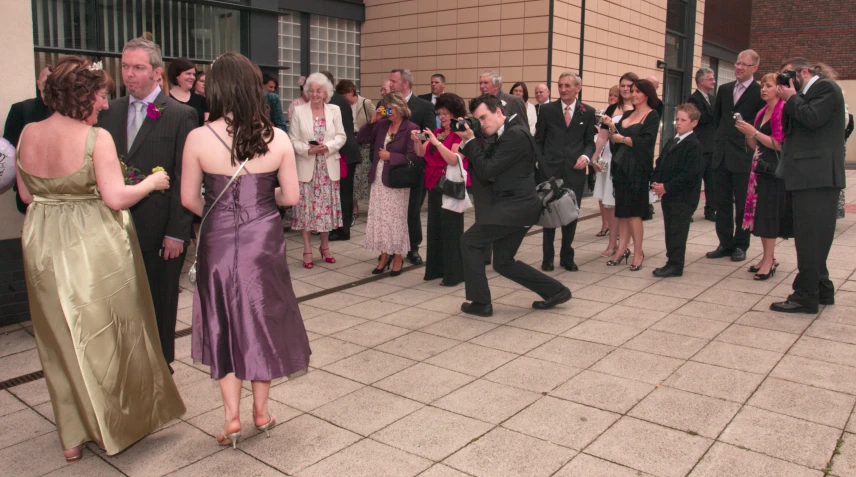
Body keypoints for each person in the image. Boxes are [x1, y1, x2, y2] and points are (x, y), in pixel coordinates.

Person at [16, 55, 184, 461]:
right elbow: (115, 197)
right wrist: (151, 182)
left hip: (41, 247)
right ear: (83, 96)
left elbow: (25, 195)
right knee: (108, 336)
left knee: (59, 339)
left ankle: (72, 438)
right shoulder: (96, 139)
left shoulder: (27, 133)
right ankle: (115, 424)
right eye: (101, 95)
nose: (106, 104)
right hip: (91, 248)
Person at [182, 52, 311, 449]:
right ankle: (261, 410)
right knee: (261, 318)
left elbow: (189, 199)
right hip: (263, 242)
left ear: (216, 89)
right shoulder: (278, 137)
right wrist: (257, 200)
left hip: (219, 242)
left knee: (222, 321)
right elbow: (290, 196)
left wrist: (225, 209)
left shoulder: (198, 138)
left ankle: (231, 416)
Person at [97, 37, 197, 372]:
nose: (129, 74)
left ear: (156, 73)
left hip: (160, 233)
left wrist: (177, 233)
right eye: (125, 66)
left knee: (161, 305)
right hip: (115, 230)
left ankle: (161, 369)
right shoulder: (108, 113)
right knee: (122, 304)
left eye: (137, 67)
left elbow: (185, 178)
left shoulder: (181, 115)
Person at [455, 94, 571, 317]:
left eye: (484, 118)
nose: (482, 123)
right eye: (478, 119)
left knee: (469, 241)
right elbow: (490, 163)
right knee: (503, 262)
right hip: (519, 208)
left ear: (499, 112)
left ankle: (481, 303)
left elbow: (488, 170)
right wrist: (472, 138)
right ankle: (556, 291)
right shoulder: (508, 131)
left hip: (515, 208)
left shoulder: (514, 134)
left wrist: (470, 142)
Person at [770, 58, 846, 314]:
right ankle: (822, 288)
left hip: (818, 177)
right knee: (811, 237)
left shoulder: (826, 88)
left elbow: (812, 118)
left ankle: (805, 296)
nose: (784, 83)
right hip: (806, 176)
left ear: (804, 72)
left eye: (787, 76)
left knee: (810, 239)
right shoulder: (805, 95)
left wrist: (791, 98)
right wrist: (790, 99)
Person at [706, 49, 764, 263]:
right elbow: (716, 118)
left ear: (755, 68)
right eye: (737, 63)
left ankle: (741, 244)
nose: (738, 67)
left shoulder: (760, 92)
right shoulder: (724, 89)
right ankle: (725, 243)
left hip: (743, 154)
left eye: (744, 65)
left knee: (742, 203)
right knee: (720, 202)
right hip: (721, 154)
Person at [534, 72, 595, 271]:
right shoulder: (547, 110)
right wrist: (541, 164)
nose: (563, 89)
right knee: (549, 214)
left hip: (574, 171)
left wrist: (586, 157)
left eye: (567, 86)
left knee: (571, 215)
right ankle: (547, 258)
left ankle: (567, 256)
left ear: (578, 88)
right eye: (560, 85)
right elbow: (539, 141)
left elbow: (589, 142)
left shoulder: (587, 112)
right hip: (551, 171)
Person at [734, 73, 790, 281]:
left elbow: (779, 144)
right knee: (760, 213)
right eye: (763, 86)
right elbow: (754, 145)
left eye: (769, 85)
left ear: (779, 88)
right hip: (759, 168)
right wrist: (748, 132)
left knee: (768, 215)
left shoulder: (782, 110)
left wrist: (754, 133)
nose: (764, 89)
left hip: (773, 170)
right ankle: (768, 258)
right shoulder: (762, 112)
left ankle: (768, 261)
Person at [357, 92, 420, 276]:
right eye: (386, 108)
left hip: (397, 181)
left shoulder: (412, 128)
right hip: (378, 179)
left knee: (396, 219)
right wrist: (373, 120)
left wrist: (391, 156)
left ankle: (398, 256)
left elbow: (414, 156)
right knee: (381, 218)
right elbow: (361, 139)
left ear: (400, 108)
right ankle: (384, 255)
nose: (388, 112)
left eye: (390, 108)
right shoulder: (382, 124)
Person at [287, 73, 346, 268]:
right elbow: (293, 140)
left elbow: (341, 136)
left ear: (326, 92)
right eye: (311, 90)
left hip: (327, 167)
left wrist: (327, 146)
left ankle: (325, 246)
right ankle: (306, 249)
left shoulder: (334, 110)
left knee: (325, 211)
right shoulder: (298, 111)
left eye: (319, 90)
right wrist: (309, 149)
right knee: (306, 211)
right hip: (307, 167)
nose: (315, 94)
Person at [601, 79, 660, 271]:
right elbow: (615, 140)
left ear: (647, 94)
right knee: (623, 212)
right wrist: (611, 126)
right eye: (632, 91)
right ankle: (622, 249)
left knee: (634, 213)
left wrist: (623, 138)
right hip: (621, 166)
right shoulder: (627, 113)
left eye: (638, 91)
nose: (633, 94)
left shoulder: (652, 115)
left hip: (638, 169)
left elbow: (647, 142)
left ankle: (638, 252)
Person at [411, 93, 469, 287]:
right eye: (440, 113)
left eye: (446, 113)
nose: (442, 117)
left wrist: (435, 143)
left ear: (455, 114)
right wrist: (417, 140)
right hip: (434, 185)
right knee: (435, 229)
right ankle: (436, 270)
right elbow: (421, 153)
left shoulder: (459, 134)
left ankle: (454, 273)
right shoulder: (436, 131)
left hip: (449, 185)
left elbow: (453, 159)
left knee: (451, 231)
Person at [650, 104, 703, 277]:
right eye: (677, 119)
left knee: (678, 231)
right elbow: (660, 164)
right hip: (669, 195)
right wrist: (656, 182)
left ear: (694, 123)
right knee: (669, 228)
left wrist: (667, 187)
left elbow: (689, 174)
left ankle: (676, 264)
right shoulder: (673, 141)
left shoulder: (693, 145)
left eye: (683, 120)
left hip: (683, 197)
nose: (678, 123)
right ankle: (671, 260)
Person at [389, 68, 435, 264]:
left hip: (415, 167)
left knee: (412, 210)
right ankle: (393, 246)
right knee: (393, 210)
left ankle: (413, 247)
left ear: (405, 84)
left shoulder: (423, 106)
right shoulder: (388, 106)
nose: (390, 84)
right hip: (392, 165)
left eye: (394, 81)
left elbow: (432, 133)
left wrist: (416, 137)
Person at [592, 73, 638, 256]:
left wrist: (613, 127)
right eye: (623, 85)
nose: (625, 89)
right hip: (609, 160)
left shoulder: (640, 109)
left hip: (629, 161)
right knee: (609, 204)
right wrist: (594, 157)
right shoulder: (611, 108)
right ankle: (612, 243)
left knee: (627, 205)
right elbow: (602, 137)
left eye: (629, 86)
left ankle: (630, 244)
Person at [4, 65, 52, 214]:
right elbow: (8, 152)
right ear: (38, 83)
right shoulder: (20, 110)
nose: (48, 88)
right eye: (45, 83)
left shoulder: (67, 113)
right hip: (29, 190)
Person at [322, 71, 361, 242]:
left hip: (343, 153)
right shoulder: (339, 100)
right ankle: (339, 227)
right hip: (347, 151)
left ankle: (342, 229)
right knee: (342, 192)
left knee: (342, 193)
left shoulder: (333, 102)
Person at [337, 79, 376, 221]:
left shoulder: (365, 103)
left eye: (344, 95)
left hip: (363, 144)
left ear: (351, 92)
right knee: (352, 177)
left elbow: (375, 120)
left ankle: (371, 206)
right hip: (349, 143)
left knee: (363, 177)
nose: (343, 98)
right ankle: (354, 207)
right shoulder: (341, 106)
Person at [687, 67, 717, 221]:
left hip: (712, 146)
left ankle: (711, 210)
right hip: (700, 146)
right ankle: (689, 211)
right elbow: (700, 119)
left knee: (712, 181)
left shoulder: (712, 99)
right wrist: (715, 112)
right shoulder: (694, 99)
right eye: (711, 78)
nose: (714, 81)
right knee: (695, 180)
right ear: (701, 81)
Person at [168, 57, 208, 126]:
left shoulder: (202, 100)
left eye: (194, 74)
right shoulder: (165, 98)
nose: (192, 77)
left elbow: (206, 126)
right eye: (188, 73)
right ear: (176, 75)